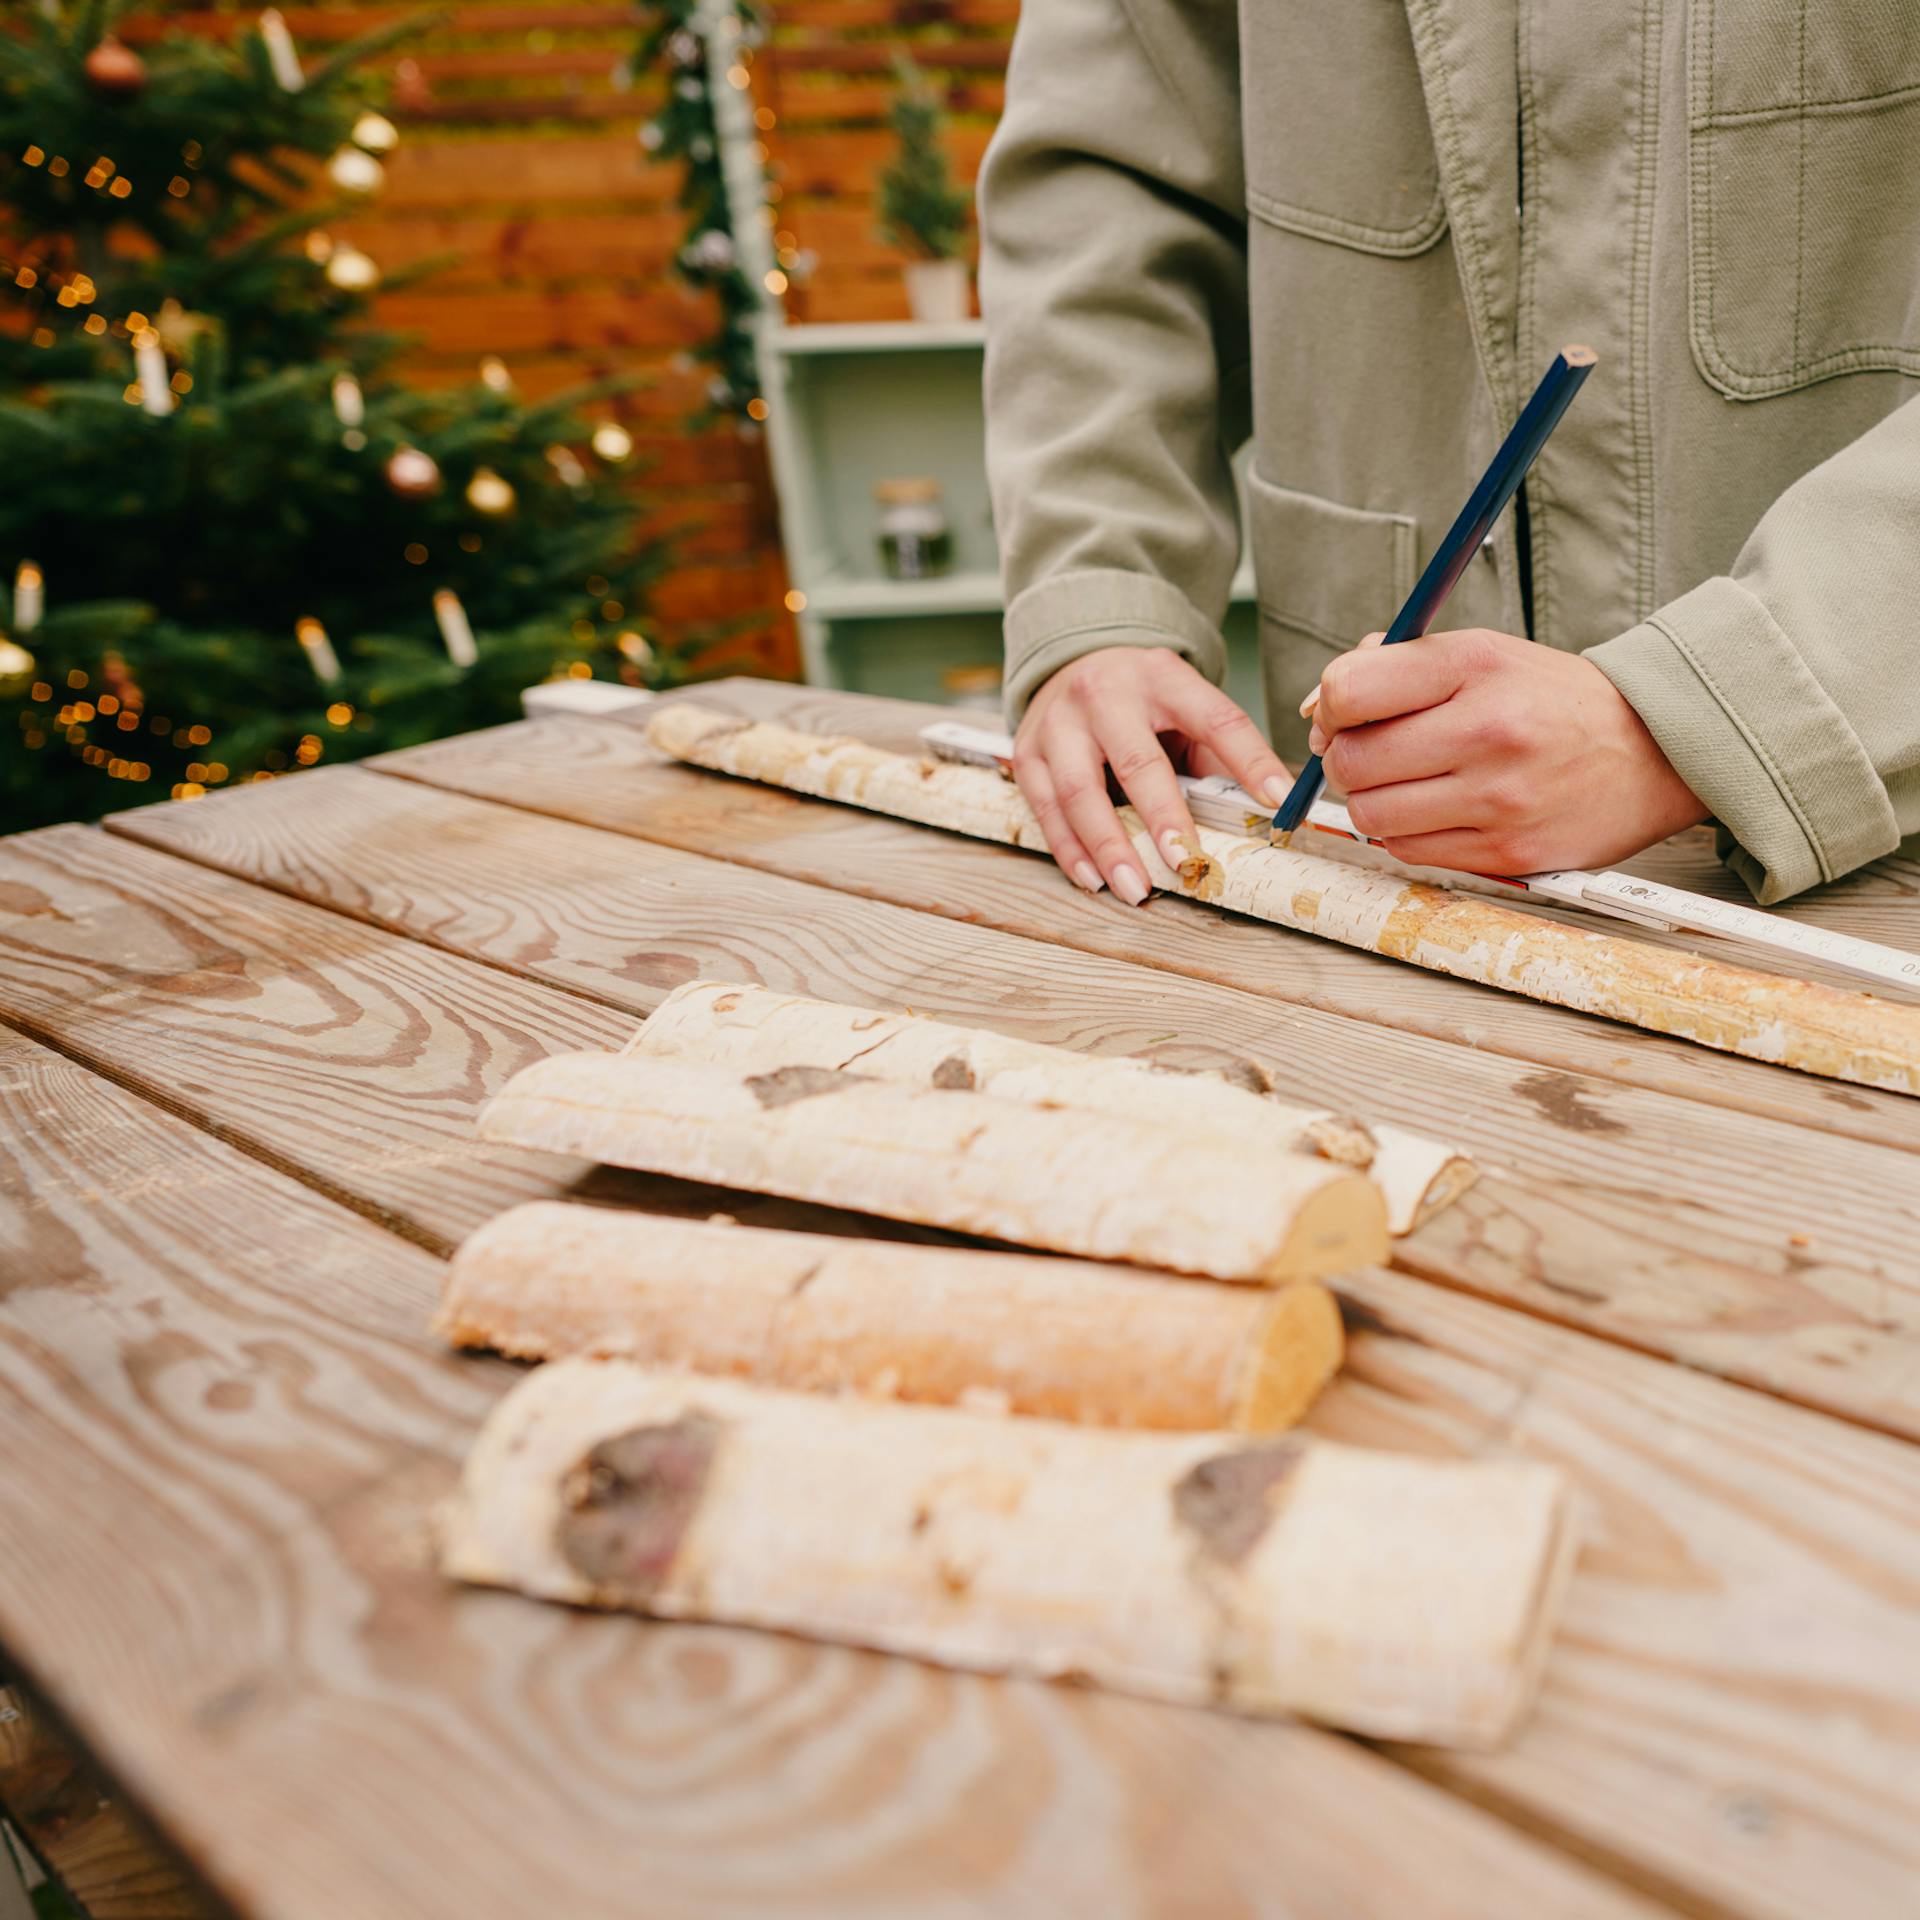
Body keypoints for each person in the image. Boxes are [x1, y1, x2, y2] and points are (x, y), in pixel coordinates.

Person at [979, 2, 1919, 906]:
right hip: (1374, 859)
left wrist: (1718, 710)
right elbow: (1115, 176)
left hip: (1869, 862)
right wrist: (1101, 591)